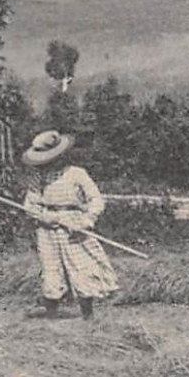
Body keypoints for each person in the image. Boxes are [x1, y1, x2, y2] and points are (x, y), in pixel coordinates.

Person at [20, 130, 117, 320]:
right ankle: (51, 314)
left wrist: (86, 221)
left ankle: (88, 314)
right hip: (47, 228)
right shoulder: (38, 178)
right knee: (51, 269)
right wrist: (42, 217)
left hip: (74, 226)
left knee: (81, 267)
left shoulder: (77, 174)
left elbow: (95, 199)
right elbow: (30, 205)